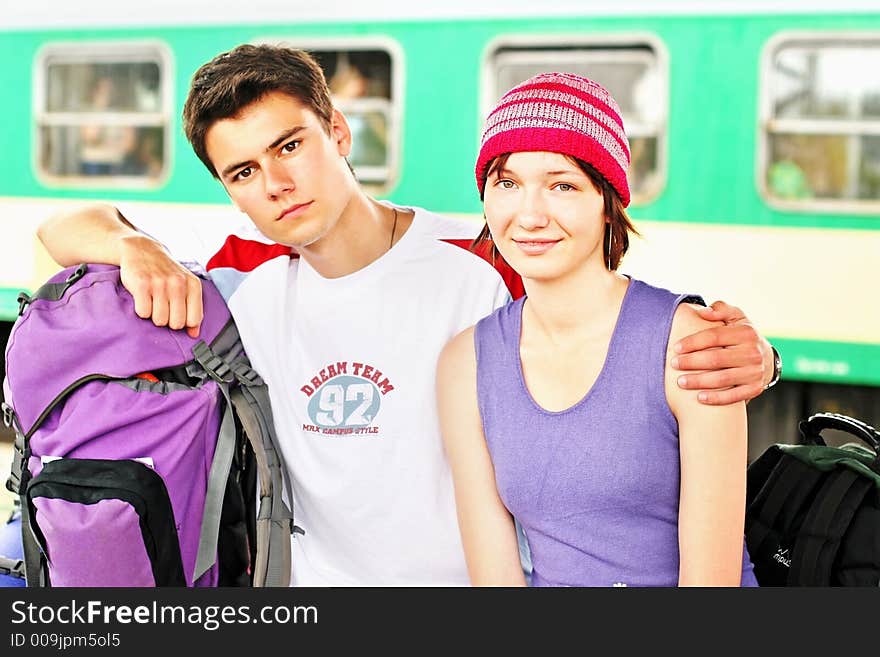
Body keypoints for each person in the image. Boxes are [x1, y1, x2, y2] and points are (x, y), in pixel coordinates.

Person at [36, 46, 777, 586]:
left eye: (290, 145)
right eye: (244, 172)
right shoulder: (241, 279)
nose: (277, 184)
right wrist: (133, 243)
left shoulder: (482, 249)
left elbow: (607, 318)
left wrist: (751, 354)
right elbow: (61, 230)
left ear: (339, 133)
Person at [436, 72, 759, 587]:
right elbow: (495, 578)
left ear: (608, 202)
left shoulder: (688, 342)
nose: (529, 214)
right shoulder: (465, 362)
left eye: (562, 185)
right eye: (507, 183)